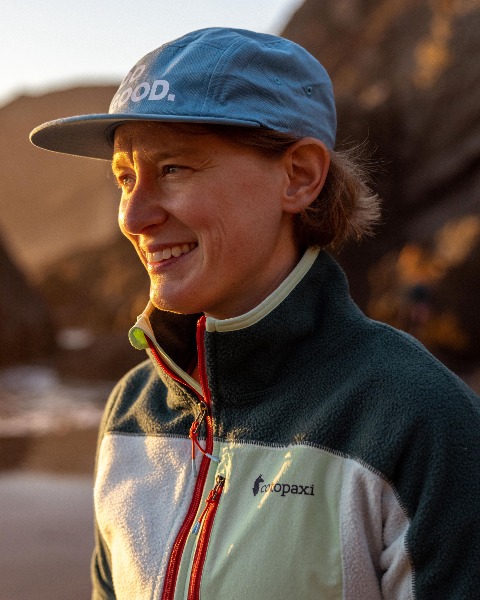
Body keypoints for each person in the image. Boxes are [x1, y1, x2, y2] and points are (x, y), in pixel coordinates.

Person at [30, 27, 480, 600]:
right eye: (125, 177)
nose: (134, 217)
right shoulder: (131, 410)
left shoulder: (420, 422)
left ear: (300, 177)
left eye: (173, 169)